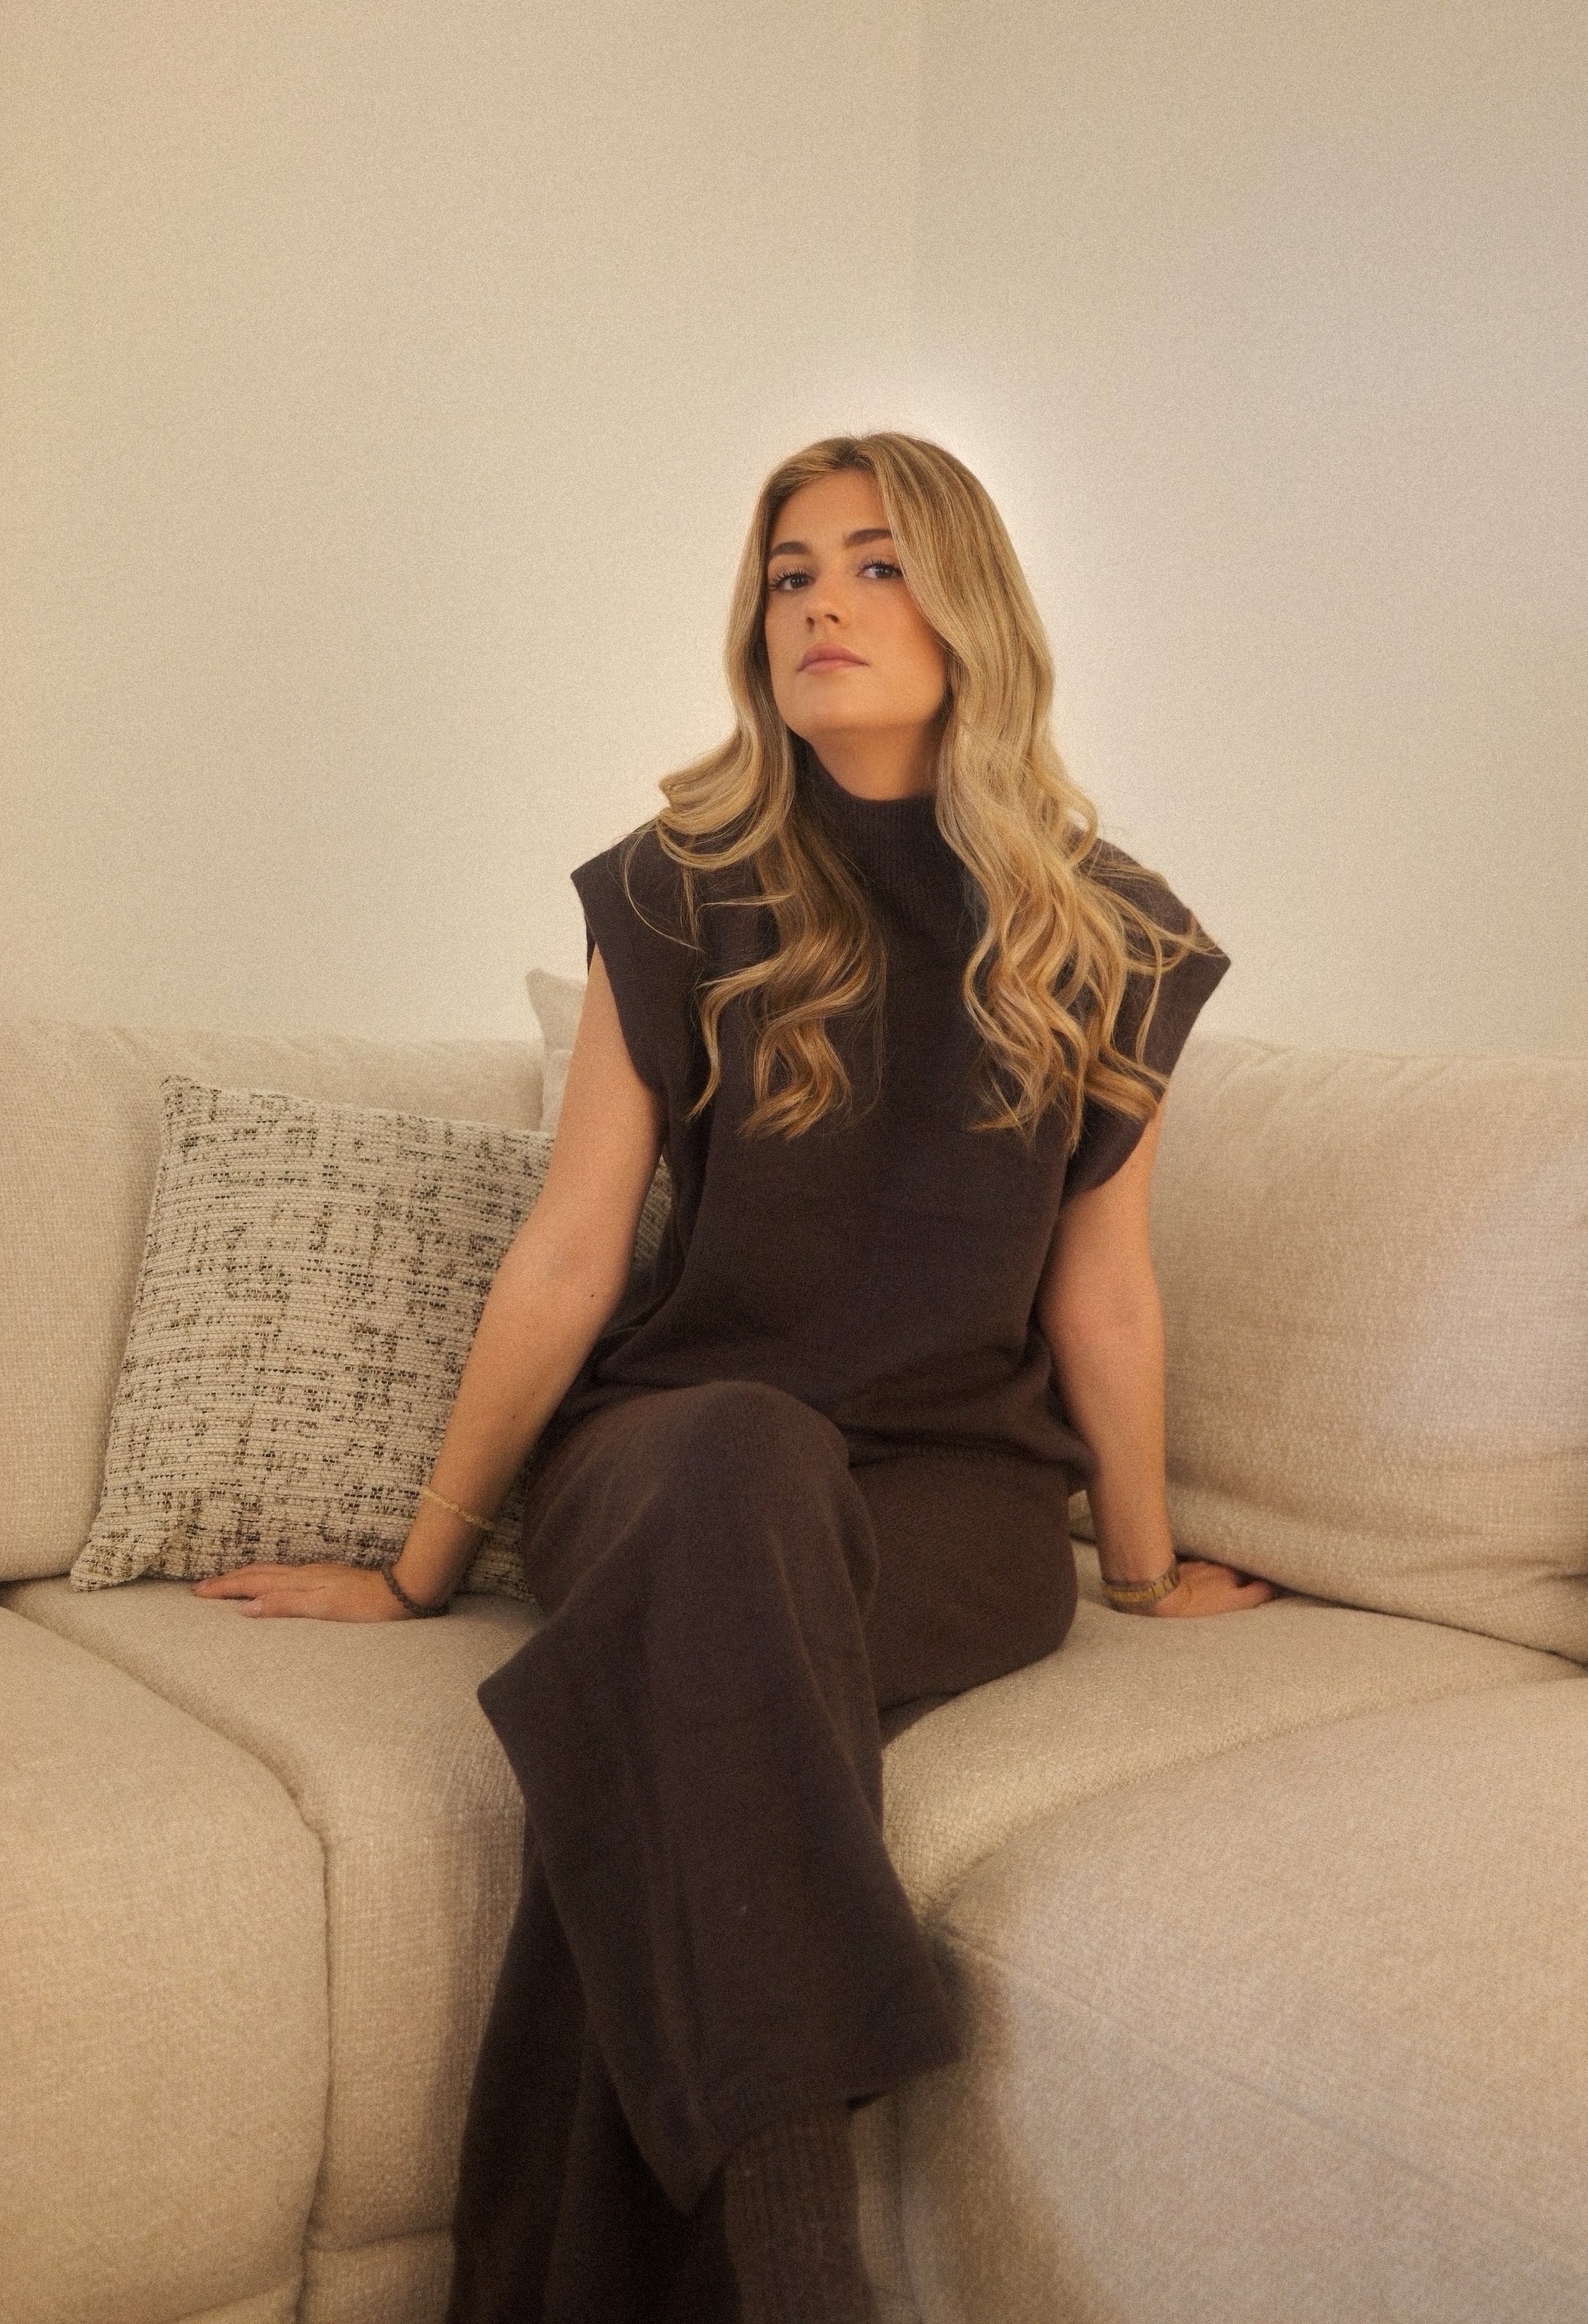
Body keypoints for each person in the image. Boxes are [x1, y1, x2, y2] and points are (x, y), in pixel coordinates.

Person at [192, 431, 1276, 2322]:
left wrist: (1144, 1562)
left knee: (681, 1709)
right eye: (791, 573)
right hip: (673, 1456)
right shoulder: (679, 889)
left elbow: (1103, 1289)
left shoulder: (1111, 933)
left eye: (876, 563)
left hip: (949, 1502)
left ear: (973, 610)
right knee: (740, 1473)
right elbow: (570, 1250)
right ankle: (797, 2255)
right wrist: (419, 1567)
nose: (821, 605)